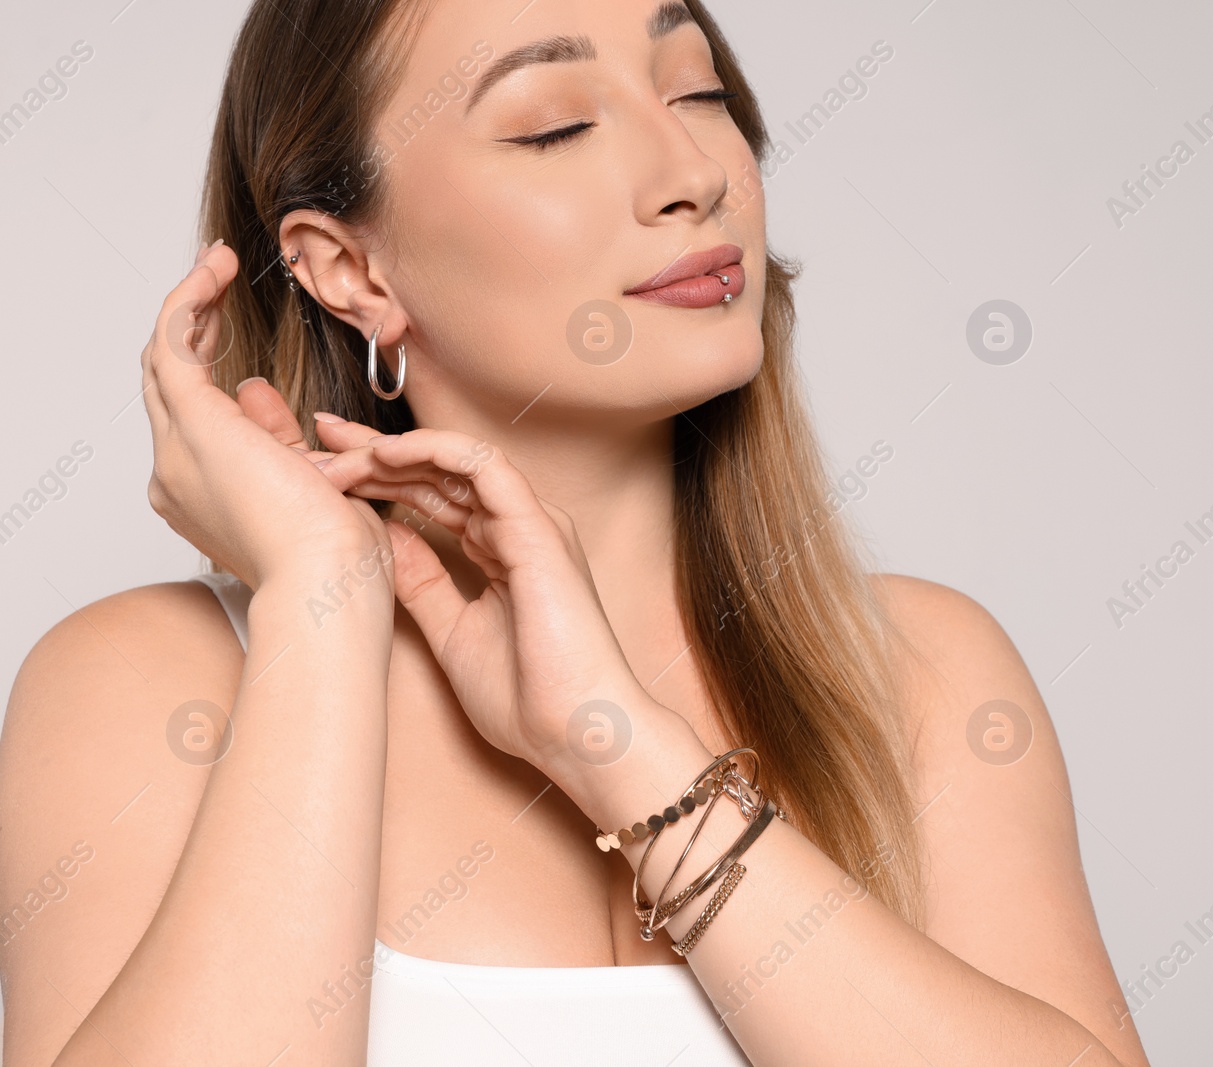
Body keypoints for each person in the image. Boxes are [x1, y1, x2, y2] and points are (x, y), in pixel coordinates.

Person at [0, 1, 1151, 1064]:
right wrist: (322, 600)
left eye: (698, 94)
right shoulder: (145, 683)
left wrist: (610, 742)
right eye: (555, 126)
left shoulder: (921, 672)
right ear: (351, 270)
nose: (692, 173)